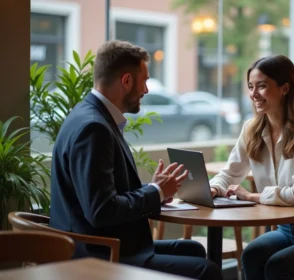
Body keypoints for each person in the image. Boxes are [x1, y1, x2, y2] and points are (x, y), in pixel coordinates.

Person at [49, 40, 222, 280]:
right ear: (127, 81)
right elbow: (101, 211)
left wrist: (153, 189)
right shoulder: (94, 128)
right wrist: (156, 192)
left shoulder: (89, 115)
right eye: (145, 80)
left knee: (194, 249)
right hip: (101, 253)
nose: (147, 90)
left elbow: (101, 195)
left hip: (106, 243)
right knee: (207, 270)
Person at [209, 55, 294, 279]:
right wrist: (214, 188)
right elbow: (229, 173)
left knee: (278, 266)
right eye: (251, 87)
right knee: (251, 255)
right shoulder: (251, 128)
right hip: (285, 230)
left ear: (284, 88)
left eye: (262, 86)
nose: (253, 94)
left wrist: (251, 196)